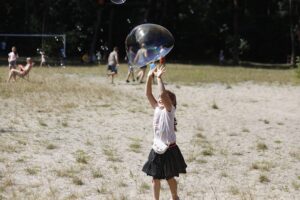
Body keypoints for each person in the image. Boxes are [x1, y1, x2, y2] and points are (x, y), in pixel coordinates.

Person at [142, 65, 187, 200]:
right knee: (155, 178)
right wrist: (149, 77)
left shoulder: (169, 111)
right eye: (161, 98)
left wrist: (159, 78)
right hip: (156, 148)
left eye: (166, 98)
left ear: (171, 103)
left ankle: (174, 196)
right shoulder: (157, 108)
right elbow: (148, 94)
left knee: (169, 177)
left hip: (169, 148)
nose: (161, 98)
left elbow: (162, 93)